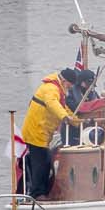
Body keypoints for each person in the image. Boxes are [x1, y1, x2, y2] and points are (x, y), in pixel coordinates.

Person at [20, 68, 88, 199]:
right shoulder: (51, 89)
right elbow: (52, 104)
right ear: (64, 81)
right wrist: (64, 117)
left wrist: (79, 122)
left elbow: (63, 109)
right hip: (36, 131)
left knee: (45, 161)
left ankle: (42, 192)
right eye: (70, 84)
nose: (70, 87)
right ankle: (37, 194)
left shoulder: (57, 90)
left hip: (41, 133)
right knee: (41, 163)